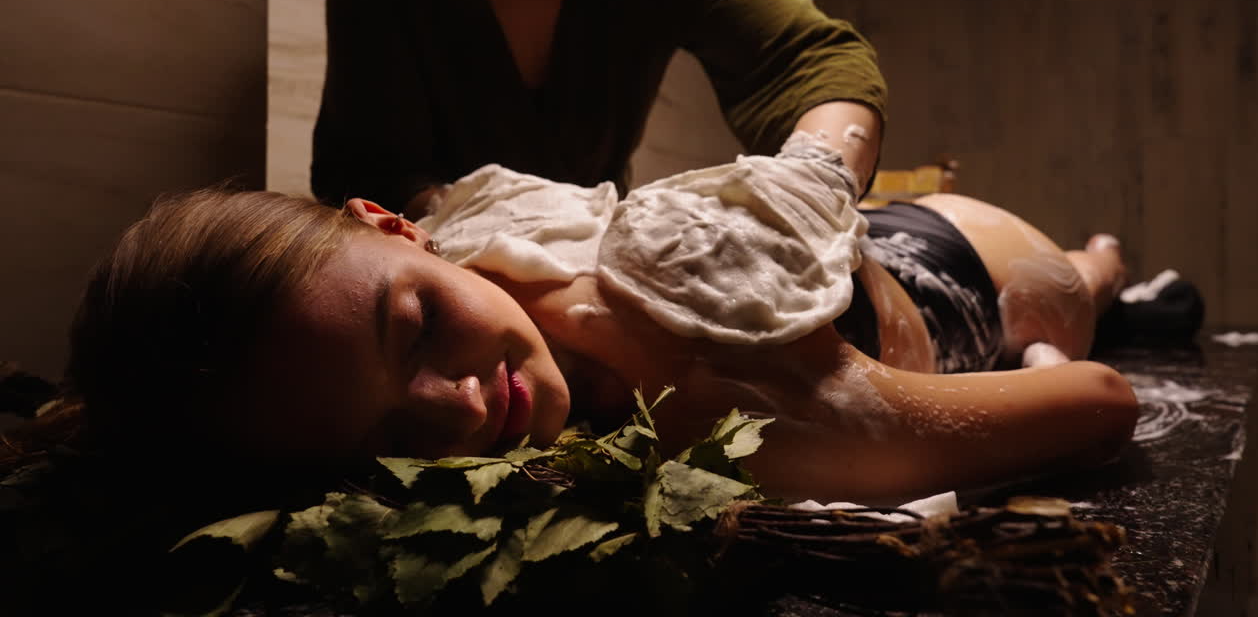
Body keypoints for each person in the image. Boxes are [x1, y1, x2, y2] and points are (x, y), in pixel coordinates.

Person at [38, 154, 1136, 506]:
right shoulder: (674, 429)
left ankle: (1115, 265)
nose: (459, 405)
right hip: (906, 287)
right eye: (388, 437)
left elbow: (1101, 399)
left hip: (962, 252)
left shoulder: (494, 234)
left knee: (1071, 293)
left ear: (401, 229)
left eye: (417, 327)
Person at [311, 0, 887, 220]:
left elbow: (815, 59)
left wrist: (811, 182)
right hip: (434, 293)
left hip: (599, 282)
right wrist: (477, 219)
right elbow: (371, 169)